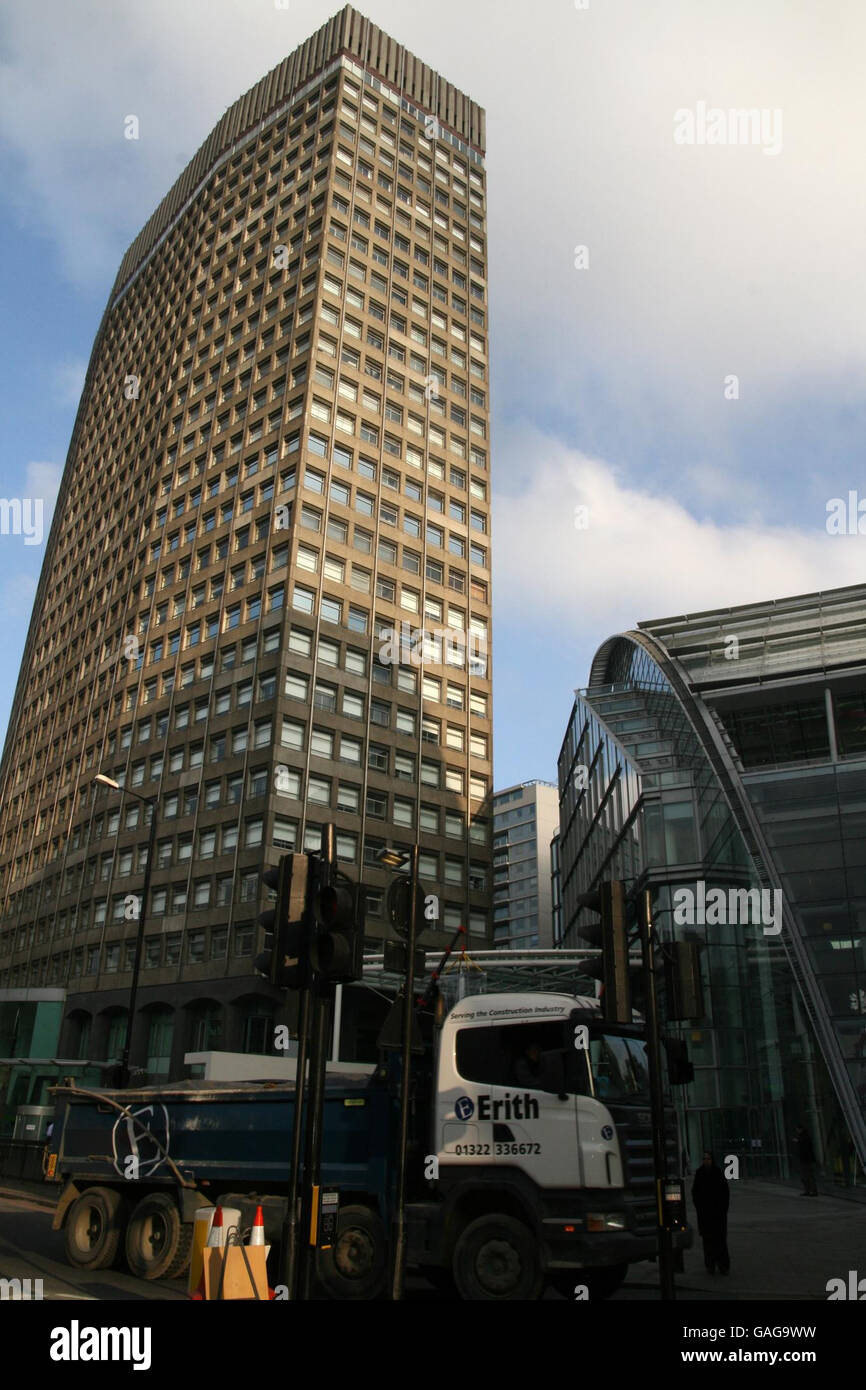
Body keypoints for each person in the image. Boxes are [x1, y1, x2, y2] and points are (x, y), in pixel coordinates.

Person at [692, 1151, 730, 1275]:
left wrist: (723, 1209)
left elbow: (725, 1193)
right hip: (706, 1214)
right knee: (709, 1241)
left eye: (708, 1159)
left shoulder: (717, 1173)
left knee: (719, 1240)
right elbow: (695, 1193)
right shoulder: (700, 1173)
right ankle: (711, 1264)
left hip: (717, 1214)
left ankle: (721, 1264)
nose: (706, 1161)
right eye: (704, 1159)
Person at [795, 1125, 818, 1195]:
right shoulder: (804, 1137)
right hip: (806, 1159)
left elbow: (805, 1149)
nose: (797, 1131)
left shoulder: (804, 1138)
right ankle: (809, 1190)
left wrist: (798, 1141)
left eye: (797, 1130)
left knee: (808, 1175)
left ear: (800, 1129)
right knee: (806, 1176)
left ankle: (811, 1190)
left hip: (805, 1159)